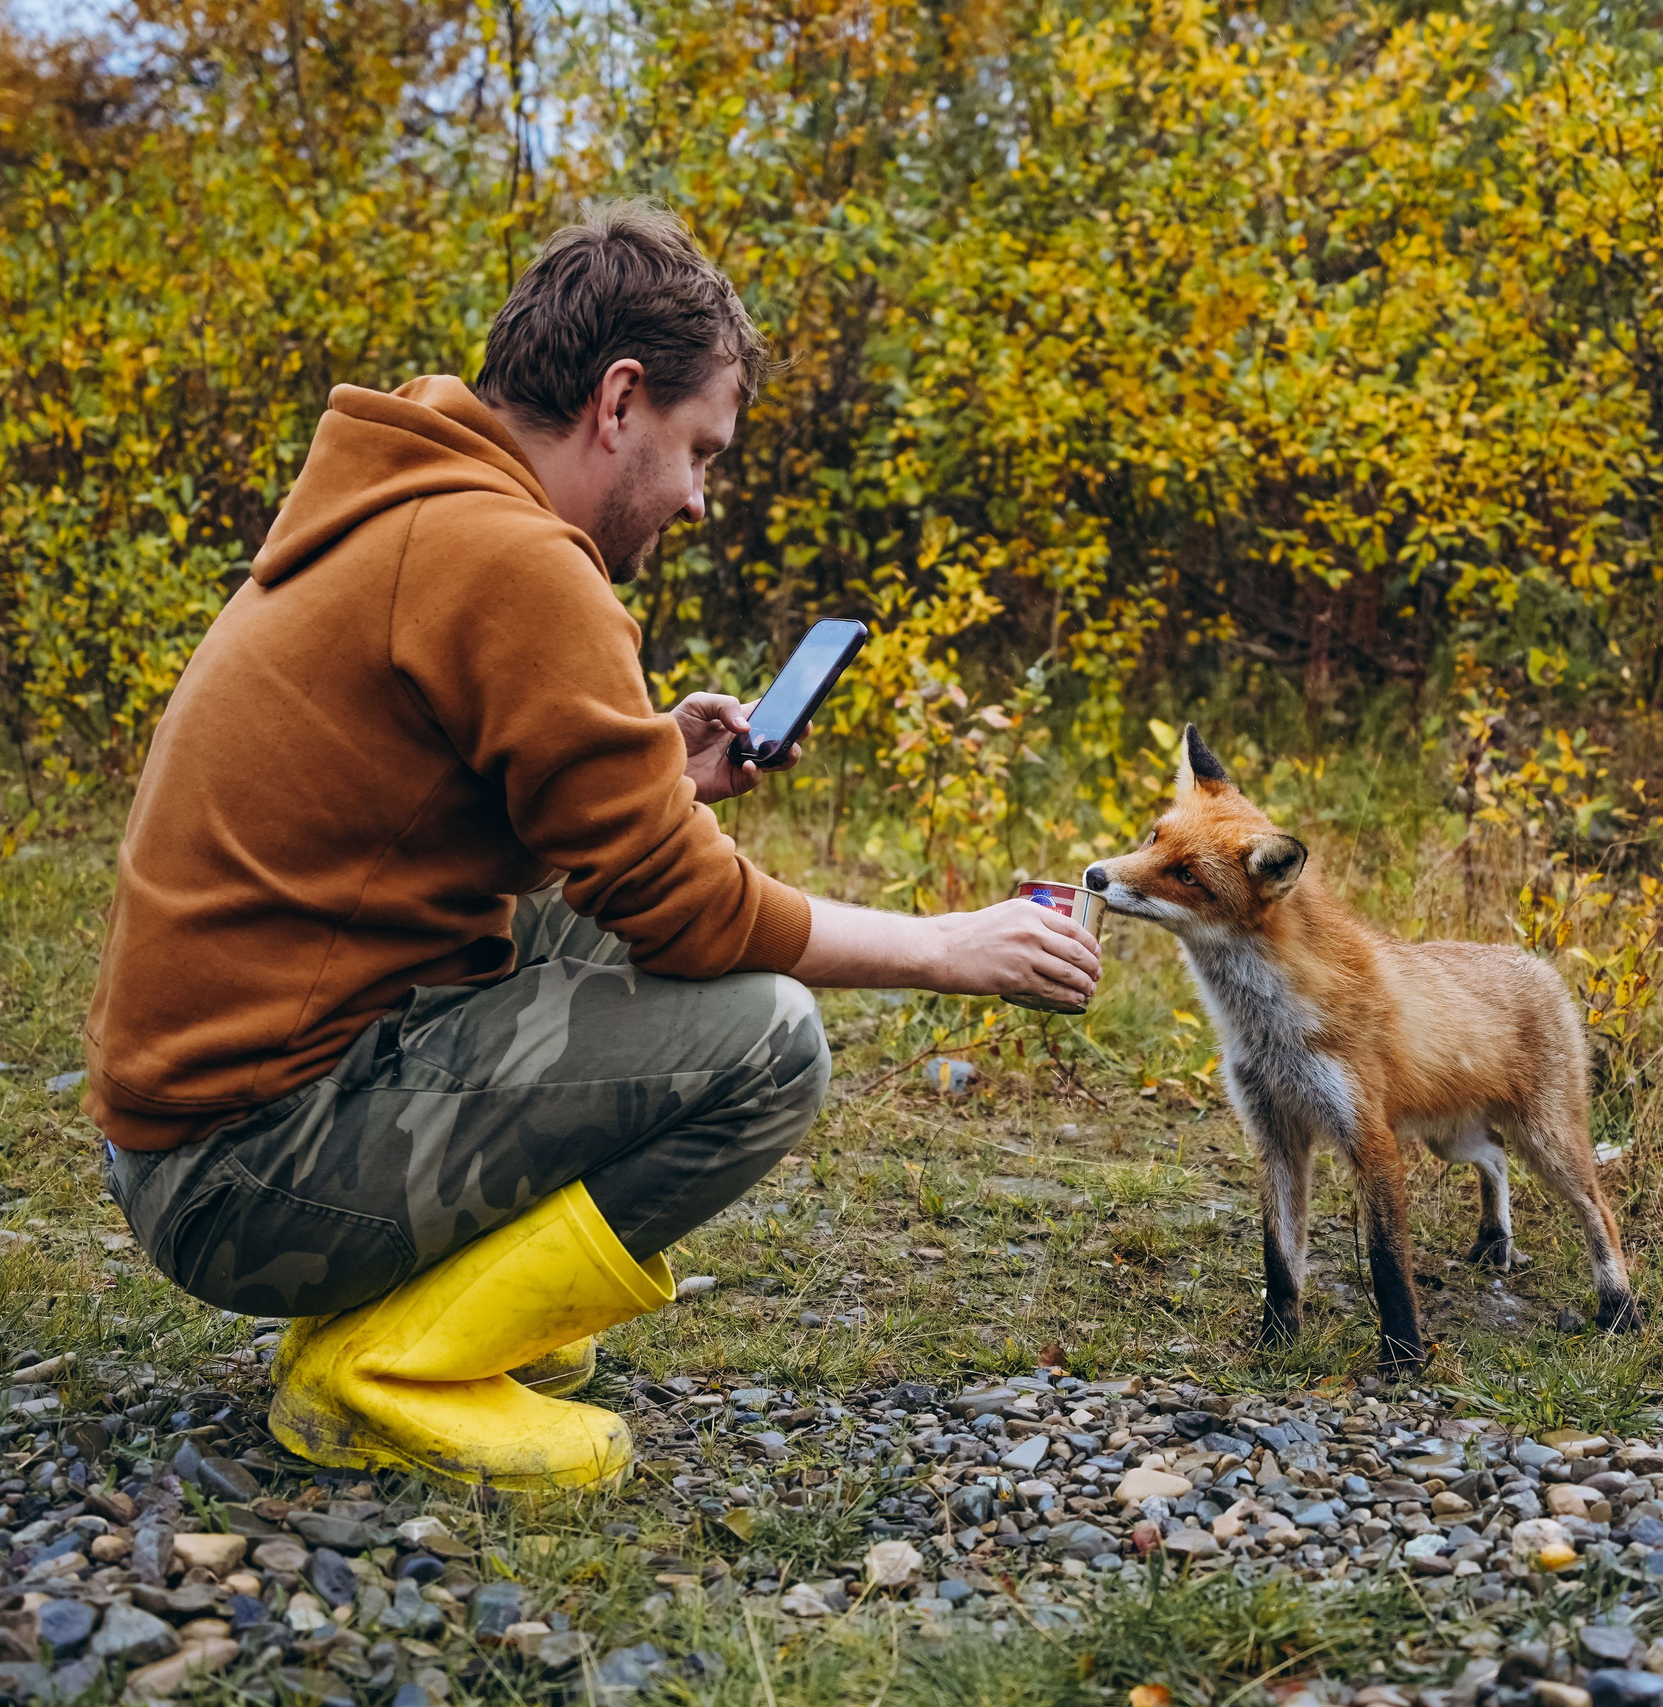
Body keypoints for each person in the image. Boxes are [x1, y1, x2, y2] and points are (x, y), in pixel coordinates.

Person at [81, 201, 1101, 1492]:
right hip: (236, 1180)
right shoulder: (514, 559)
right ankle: (384, 1364)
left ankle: (448, 1308)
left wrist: (654, 775)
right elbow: (692, 912)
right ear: (619, 401)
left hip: (195, 1138)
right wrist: (952, 946)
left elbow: (451, 824)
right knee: (767, 1043)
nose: (701, 498)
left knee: (594, 922)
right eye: (699, 451)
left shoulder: (423, 498)